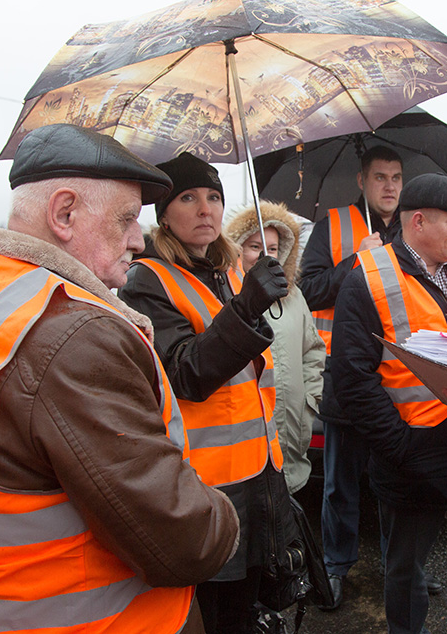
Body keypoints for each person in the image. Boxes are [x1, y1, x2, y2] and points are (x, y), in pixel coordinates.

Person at [0, 125, 239, 633]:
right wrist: (223, 513)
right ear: (64, 213)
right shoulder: (72, 333)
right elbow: (184, 543)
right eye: (125, 220)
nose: (139, 239)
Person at [118, 151, 296, 634]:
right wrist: (248, 306)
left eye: (214, 197)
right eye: (189, 198)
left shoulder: (226, 270)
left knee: (251, 606)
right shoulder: (147, 281)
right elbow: (187, 375)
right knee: (216, 615)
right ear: (164, 214)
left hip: (260, 470)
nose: (206, 210)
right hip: (208, 484)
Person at [331, 174, 447, 634]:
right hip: (410, 456)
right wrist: (401, 446)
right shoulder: (368, 277)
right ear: (418, 221)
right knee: (405, 573)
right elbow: (352, 378)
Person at [299, 145, 409, 607]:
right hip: (344, 377)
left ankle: (404, 568)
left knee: (396, 485)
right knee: (339, 484)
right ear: (362, 181)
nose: (389, 187)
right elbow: (308, 290)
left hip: (398, 381)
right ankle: (335, 568)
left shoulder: (411, 229)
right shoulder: (334, 226)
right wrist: (355, 262)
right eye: (380, 177)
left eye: (397, 178)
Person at [225, 201, 326, 495]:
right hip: (242, 447)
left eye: (272, 248)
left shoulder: (293, 297)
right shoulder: (224, 297)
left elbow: (313, 351)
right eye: (255, 246)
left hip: (291, 437)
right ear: (237, 248)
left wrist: (309, 402)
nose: (264, 255)